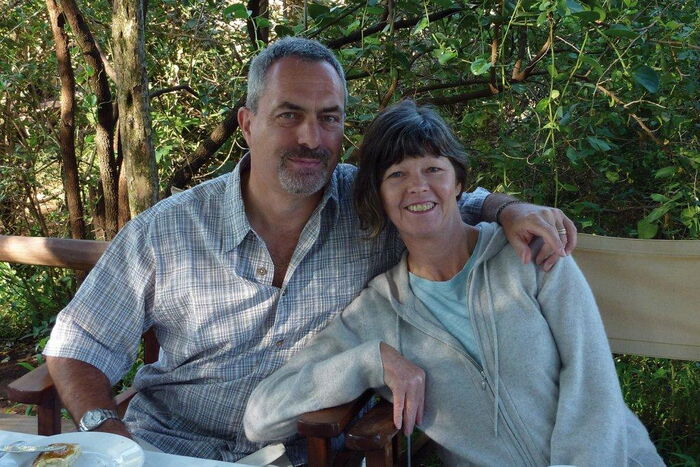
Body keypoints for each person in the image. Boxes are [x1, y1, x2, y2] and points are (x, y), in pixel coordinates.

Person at [44, 38, 577, 464]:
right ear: (247, 122)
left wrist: (508, 210)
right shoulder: (168, 230)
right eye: (289, 114)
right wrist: (110, 438)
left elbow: (450, 197)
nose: (311, 137)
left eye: (329, 117)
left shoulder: (374, 208)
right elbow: (79, 345)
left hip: (313, 451)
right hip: (165, 448)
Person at [243, 100, 663, 466]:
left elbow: (592, 382)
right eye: (396, 175)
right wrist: (370, 362)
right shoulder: (378, 312)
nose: (418, 187)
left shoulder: (530, 255)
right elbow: (261, 417)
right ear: (378, 194)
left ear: (458, 182)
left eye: (433, 169)